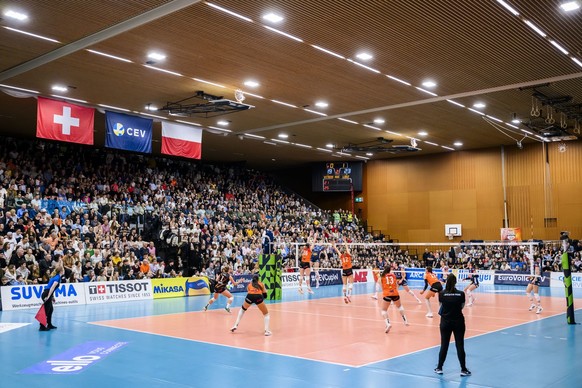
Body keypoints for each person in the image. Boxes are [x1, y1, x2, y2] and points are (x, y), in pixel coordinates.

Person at [434, 274, 471, 377]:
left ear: (447, 282)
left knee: (444, 345)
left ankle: (439, 368)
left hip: (445, 322)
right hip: (458, 322)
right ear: (455, 282)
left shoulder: (441, 294)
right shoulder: (461, 294)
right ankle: (463, 369)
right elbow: (462, 306)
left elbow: (441, 306)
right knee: (460, 345)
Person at [379, 266, 409, 333]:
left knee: (384, 310)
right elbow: (396, 285)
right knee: (400, 306)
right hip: (395, 293)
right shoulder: (393, 276)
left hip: (387, 294)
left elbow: (381, 286)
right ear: (390, 270)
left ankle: (388, 323)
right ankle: (405, 320)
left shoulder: (382, 276)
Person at [39, 264, 65, 331]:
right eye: (63, 269)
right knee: (46, 311)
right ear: (61, 271)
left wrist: (52, 296)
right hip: (46, 294)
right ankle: (42, 326)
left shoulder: (55, 276)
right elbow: (52, 288)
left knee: (50, 310)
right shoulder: (57, 278)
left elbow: (51, 288)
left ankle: (49, 324)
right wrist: (48, 296)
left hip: (48, 293)